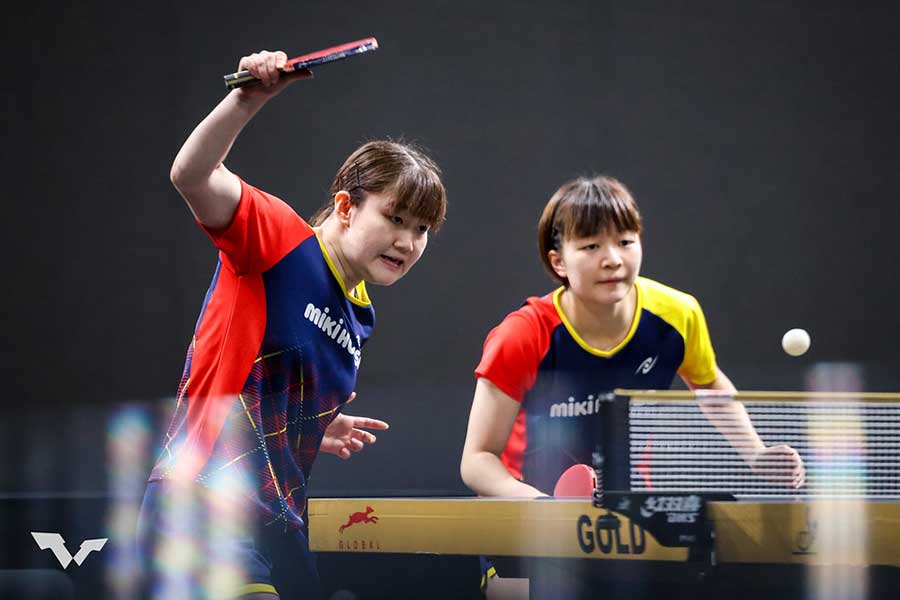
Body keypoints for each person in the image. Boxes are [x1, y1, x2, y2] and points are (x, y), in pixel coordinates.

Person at [137, 50, 447, 600]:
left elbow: (267, 377)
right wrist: (247, 98)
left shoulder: (360, 315)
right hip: (207, 500)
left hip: (278, 519)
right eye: (395, 217)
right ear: (346, 207)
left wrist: (313, 423)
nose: (407, 241)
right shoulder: (277, 239)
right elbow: (192, 175)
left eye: (422, 229)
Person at [459, 175, 804, 598]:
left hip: (625, 523)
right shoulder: (523, 335)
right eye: (591, 246)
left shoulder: (677, 315)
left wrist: (756, 453)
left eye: (625, 241)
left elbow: (711, 387)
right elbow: (477, 460)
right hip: (523, 522)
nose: (613, 260)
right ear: (558, 262)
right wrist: (543, 507)